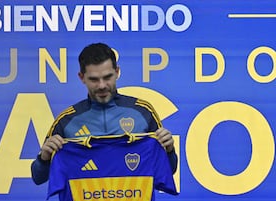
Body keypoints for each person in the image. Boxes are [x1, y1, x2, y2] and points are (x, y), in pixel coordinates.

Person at [31, 42, 178, 185]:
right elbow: (38, 177)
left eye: (107, 77)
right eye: (94, 79)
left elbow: (169, 169)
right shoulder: (66, 120)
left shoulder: (143, 111)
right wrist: (44, 158)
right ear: (81, 77)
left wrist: (170, 150)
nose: (101, 85)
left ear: (117, 72)